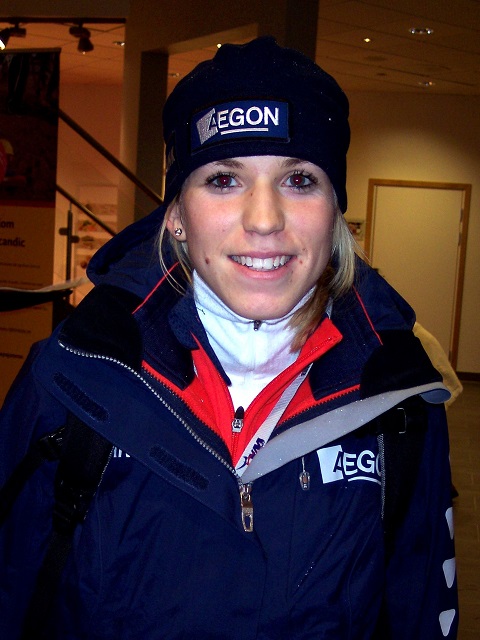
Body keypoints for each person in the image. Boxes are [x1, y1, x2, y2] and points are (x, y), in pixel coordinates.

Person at [0, 37, 458, 639]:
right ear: (175, 215)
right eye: (223, 179)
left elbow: (420, 612)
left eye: (299, 179)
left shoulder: (398, 400)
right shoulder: (71, 376)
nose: (264, 220)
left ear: (335, 212)